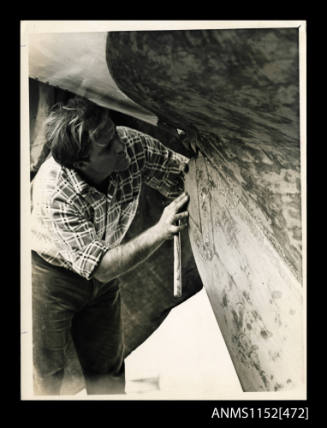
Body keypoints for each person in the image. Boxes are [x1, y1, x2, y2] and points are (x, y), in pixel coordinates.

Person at [30, 96, 190, 395]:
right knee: (46, 376)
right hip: (49, 275)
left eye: (113, 132)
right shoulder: (55, 194)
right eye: (106, 146)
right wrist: (160, 231)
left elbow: (183, 175)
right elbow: (102, 268)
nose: (119, 145)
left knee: (108, 374)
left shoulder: (130, 146)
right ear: (81, 162)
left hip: (102, 268)